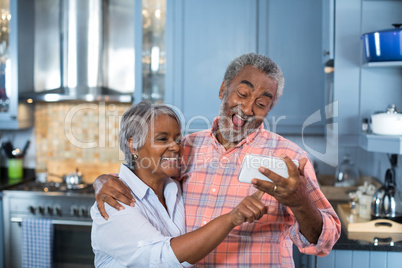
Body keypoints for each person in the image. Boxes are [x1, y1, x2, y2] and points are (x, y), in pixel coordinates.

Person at [93, 53, 341, 267]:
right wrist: (103, 181)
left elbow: (325, 241)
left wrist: (300, 203)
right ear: (224, 89)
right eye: (242, 94)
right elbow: (144, 178)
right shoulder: (186, 148)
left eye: (262, 103)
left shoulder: (289, 158)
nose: (247, 108)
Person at [91, 101, 269, 267]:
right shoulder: (114, 202)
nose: (176, 147)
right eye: (162, 139)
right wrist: (232, 218)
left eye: (177, 139)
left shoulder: (174, 188)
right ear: (133, 145)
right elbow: (162, 258)